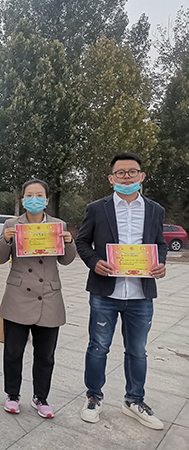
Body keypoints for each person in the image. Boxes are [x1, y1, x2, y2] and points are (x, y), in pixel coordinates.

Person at [76, 152, 167, 430]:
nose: (126, 177)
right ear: (111, 178)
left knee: (137, 350)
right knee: (98, 347)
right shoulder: (97, 208)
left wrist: (160, 263)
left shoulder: (155, 210)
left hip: (140, 294)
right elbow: (82, 242)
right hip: (105, 292)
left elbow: (160, 244)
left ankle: (135, 400)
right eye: (120, 173)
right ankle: (93, 397)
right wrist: (95, 262)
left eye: (132, 172)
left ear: (142, 176)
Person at [0, 179, 76, 418]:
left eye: (39, 195)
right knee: (12, 352)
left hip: (48, 296)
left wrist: (69, 242)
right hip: (18, 295)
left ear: (46, 200)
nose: (34, 199)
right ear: (23, 200)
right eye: (29, 195)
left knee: (46, 355)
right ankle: (12, 394)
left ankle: (41, 397)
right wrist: (6, 240)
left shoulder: (58, 225)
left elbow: (66, 260)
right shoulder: (12, 224)